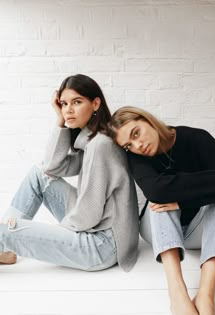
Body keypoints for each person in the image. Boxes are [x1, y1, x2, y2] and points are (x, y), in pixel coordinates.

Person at [0, 75, 139, 273]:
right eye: (64, 104)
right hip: (97, 225)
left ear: (96, 103)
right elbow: (50, 167)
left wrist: (51, 236)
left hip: (101, 245)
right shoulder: (92, 140)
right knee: (38, 175)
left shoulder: (100, 146)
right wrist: (60, 121)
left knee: (4, 230)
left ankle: (5, 243)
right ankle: (4, 249)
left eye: (77, 102)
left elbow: (88, 214)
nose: (68, 110)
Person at [108, 106, 215, 315]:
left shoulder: (196, 138)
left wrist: (181, 201)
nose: (138, 145)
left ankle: (206, 293)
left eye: (136, 133)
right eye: (129, 145)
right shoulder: (136, 157)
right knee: (158, 203)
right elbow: (156, 190)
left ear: (147, 119)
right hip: (159, 232)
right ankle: (177, 293)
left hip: (199, 231)